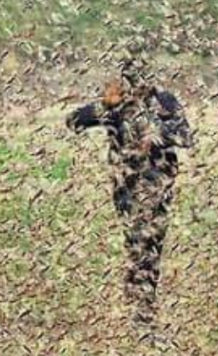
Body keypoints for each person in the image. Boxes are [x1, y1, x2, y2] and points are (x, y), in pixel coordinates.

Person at [66, 61, 193, 325]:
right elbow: (74, 122)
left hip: (158, 186)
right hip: (127, 188)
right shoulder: (116, 107)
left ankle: (142, 309)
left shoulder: (165, 101)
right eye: (132, 80)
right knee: (136, 243)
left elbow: (185, 136)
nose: (138, 85)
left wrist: (156, 136)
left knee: (151, 245)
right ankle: (138, 309)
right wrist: (105, 104)